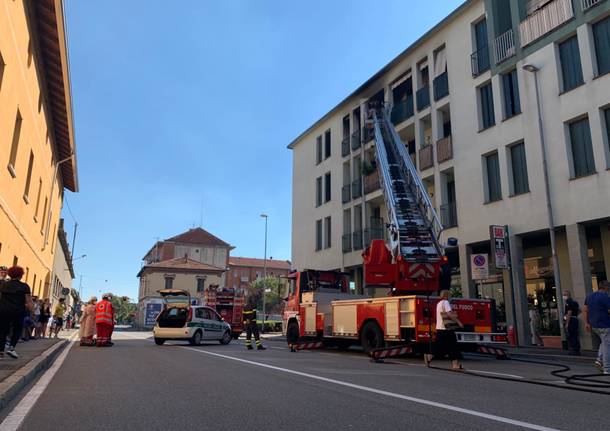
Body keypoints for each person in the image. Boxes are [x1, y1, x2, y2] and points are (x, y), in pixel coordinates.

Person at [0, 266, 34, 359]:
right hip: (18, 311)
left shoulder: (3, 285)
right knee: (17, 329)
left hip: (4, 310)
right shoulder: (24, 286)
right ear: (20, 275)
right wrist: (32, 311)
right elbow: (29, 300)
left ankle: (1, 352)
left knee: (2, 330)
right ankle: (11, 348)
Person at [425, 289, 463, 370]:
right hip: (447, 328)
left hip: (439, 328)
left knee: (440, 345)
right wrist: (459, 322)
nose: (450, 296)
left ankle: (429, 357)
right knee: (453, 346)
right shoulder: (446, 302)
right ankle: (455, 364)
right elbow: (449, 314)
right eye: (449, 295)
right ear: (446, 295)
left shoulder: (439, 303)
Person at [584, 281, 610, 374]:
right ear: (606, 288)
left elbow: (586, 310)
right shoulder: (605, 296)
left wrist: (586, 323)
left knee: (604, 342)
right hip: (605, 324)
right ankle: (607, 368)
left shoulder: (589, 296)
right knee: (608, 345)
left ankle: (599, 359)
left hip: (594, 325)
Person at [563, 290, 581, 355]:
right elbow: (579, 311)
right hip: (575, 319)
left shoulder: (568, 302)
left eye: (564, 295)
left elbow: (569, 313)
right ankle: (577, 349)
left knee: (571, 335)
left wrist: (567, 323)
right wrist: (575, 315)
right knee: (575, 335)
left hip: (571, 320)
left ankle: (573, 350)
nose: (563, 296)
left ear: (568, 295)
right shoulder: (575, 302)